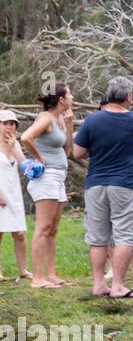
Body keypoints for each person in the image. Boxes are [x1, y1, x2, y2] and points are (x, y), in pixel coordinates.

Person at [73, 76, 133, 299]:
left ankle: (99, 284)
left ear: (108, 96)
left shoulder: (92, 120)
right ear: (128, 97)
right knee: (125, 235)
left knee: (98, 237)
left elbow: (78, 153)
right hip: (125, 185)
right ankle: (118, 286)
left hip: (96, 184)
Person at [22, 83, 75, 287]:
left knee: (53, 229)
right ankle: (37, 278)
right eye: (69, 94)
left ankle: (51, 275)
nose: (72, 96)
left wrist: (70, 127)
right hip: (47, 178)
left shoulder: (60, 118)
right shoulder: (45, 118)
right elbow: (26, 137)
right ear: (61, 99)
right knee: (43, 227)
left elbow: (68, 151)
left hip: (59, 177)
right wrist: (39, 157)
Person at [0, 111, 32, 281]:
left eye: (12, 124)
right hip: (0, 191)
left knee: (19, 233)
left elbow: (24, 165)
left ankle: (23, 270)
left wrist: (14, 147)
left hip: (14, 192)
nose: (9, 127)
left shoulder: (15, 144)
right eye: (6, 123)